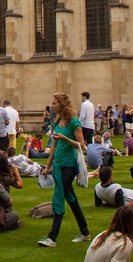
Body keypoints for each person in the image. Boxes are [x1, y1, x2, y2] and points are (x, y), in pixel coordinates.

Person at [37, 92, 90, 248]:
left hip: (69, 165)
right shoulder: (57, 122)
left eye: (54, 103)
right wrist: (47, 167)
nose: (52, 106)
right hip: (58, 166)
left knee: (58, 196)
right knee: (71, 200)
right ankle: (85, 232)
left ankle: (52, 237)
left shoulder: (74, 123)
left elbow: (82, 146)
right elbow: (53, 146)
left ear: (62, 104)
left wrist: (65, 138)